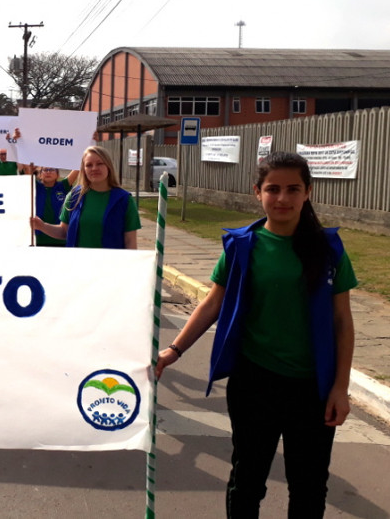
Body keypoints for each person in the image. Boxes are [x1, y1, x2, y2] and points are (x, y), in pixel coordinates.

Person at [156, 152, 357, 517]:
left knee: (309, 485)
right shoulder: (242, 246)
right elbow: (211, 304)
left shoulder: (328, 250)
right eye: (273, 189)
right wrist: (173, 350)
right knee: (247, 479)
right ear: (257, 192)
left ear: (308, 192)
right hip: (254, 384)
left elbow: (343, 321)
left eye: (293, 189)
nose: (282, 198)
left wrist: (340, 388)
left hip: (312, 388)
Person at [30, 146, 140, 249]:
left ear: (108, 166)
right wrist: (42, 226)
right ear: (84, 169)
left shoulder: (124, 200)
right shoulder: (74, 196)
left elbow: (130, 241)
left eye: (99, 163)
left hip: (111, 262)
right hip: (78, 262)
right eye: (89, 165)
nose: (94, 168)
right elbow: (64, 232)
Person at [33, 166, 79, 247]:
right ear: (40, 175)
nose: (48, 172)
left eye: (51, 169)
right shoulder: (35, 186)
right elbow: (26, 171)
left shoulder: (63, 186)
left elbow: (77, 168)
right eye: (45, 170)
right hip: (39, 239)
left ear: (57, 175)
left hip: (60, 238)